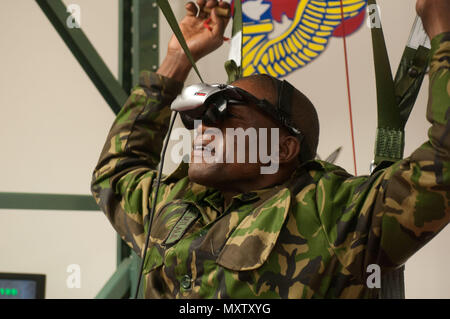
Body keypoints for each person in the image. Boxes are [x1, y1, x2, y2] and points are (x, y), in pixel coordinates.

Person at [91, 0, 450, 298]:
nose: (203, 129)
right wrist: (177, 60)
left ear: (283, 148)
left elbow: (443, 164)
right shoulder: (174, 203)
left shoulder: (335, 212)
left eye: (224, 112)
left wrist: (442, 27)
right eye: (199, 117)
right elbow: (114, 173)